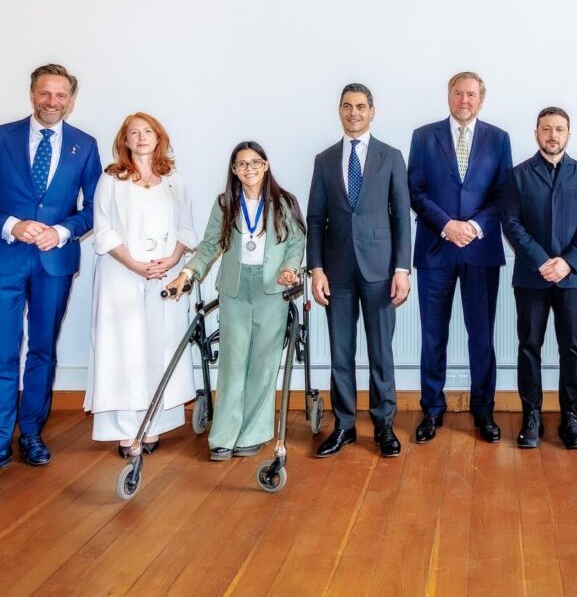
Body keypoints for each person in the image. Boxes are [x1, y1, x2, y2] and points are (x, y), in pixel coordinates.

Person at [0, 64, 101, 486]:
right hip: (3, 259)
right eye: (44, 93)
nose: (52, 101)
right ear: (32, 94)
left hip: (54, 263)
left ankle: (31, 435)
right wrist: (9, 224)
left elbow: (94, 207)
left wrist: (60, 231)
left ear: (71, 99)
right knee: (1, 354)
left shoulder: (85, 146)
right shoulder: (0, 137)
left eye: (60, 95)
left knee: (42, 352)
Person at [167, 141, 305, 461]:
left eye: (255, 162)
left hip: (271, 288)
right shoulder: (225, 203)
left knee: (263, 362)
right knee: (232, 361)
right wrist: (187, 275)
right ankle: (224, 434)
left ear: (266, 165)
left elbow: (296, 243)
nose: (249, 169)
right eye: (241, 164)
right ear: (234, 170)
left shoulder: (284, 202)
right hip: (235, 288)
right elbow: (209, 246)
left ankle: (254, 433)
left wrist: (289, 269)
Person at [306, 83, 412, 458]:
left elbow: (402, 216)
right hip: (336, 273)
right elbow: (315, 219)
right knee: (341, 352)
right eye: (347, 106)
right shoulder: (324, 159)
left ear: (372, 110)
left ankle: (384, 425)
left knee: (381, 351)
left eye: (361, 106)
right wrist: (315, 269)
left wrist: (403, 268)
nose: (354, 113)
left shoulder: (391, 156)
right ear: (339, 110)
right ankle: (345, 426)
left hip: (382, 272)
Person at [408, 71, 513, 444]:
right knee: (433, 336)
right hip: (436, 250)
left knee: (481, 337)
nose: (464, 100)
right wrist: (447, 225)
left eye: (471, 94)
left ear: (481, 99)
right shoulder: (424, 136)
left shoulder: (499, 139)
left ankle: (483, 410)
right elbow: (415, 191)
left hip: (480, 253)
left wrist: (475, 227)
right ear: (448, 96)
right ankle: (431, 410)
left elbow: (503, 195)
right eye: (458, 93)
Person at [85, 113, 198, 456]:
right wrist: (134, 264)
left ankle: (155, 426)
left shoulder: (173, 180)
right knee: (123, 349)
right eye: (133, 133)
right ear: (125, 141)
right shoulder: (112, 178)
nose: (141, 137)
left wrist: (173, 259)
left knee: (160, 346)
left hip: (165, 273)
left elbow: (186, 228)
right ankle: (126, 429)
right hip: (121, 274)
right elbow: (103, 229)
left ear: (158, 137)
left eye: (147, 131)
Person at [501, 107, 577, 449]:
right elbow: (511, 224)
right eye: (546, 129)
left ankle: (570, 416)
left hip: (572, 279)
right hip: (531, 277)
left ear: (568, 134)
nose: (552, 135)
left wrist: (567, 262)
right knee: (529, 347)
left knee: (570, 349)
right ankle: (532, 415)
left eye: (559, 129)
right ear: (536, 133)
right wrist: (543, 261)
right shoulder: (518, 175)